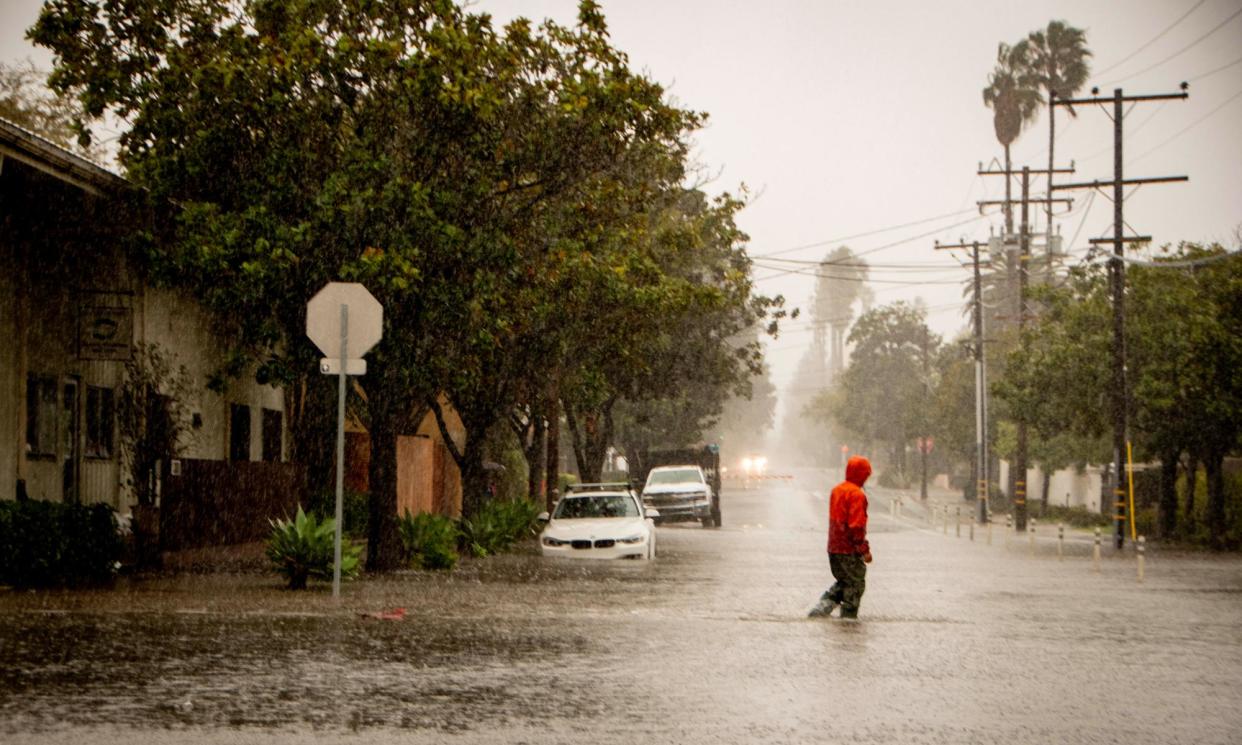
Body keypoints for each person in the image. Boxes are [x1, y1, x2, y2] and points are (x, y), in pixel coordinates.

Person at [809, 455, 873, 619]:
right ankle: (848, 619)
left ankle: (823, 606)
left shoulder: (837, 490)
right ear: (862, 474)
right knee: (855, 583)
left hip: (834, 547)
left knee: (844, 581)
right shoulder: (856, 495)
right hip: (848, 549)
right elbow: (856, 526)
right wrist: (864, 550)